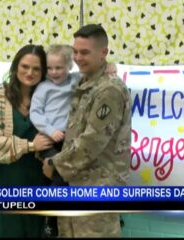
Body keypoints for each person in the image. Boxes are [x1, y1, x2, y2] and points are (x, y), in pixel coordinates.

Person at [42, 24, 132, 237]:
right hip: (77, 184)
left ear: (103, 53)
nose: (78, 58)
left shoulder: (108, 89)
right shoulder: (86, 82)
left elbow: (91, 142)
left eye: (85, 52)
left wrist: (56, 164)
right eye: (75, 51)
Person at [0, 44, 54, 238]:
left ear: (43, 72)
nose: (30, 72)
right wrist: (30, 145)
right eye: (25, 66)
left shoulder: (48, 99)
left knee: (36, 230)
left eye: (36, 68)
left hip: (39, 176)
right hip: (7, 175)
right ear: (15, 67)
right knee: (9, 230)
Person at [30, 44, 81, 160]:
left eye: (59, 68)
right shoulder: (43, 88)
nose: (53, 72)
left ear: (69, 66)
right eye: (49, 68)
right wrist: (50, 130)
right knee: (55, 166)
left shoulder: (74, 79)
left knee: (70, 165)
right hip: (48, 137)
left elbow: (93, 71)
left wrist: (109, 66)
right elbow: (35, 113)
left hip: (69, 138)